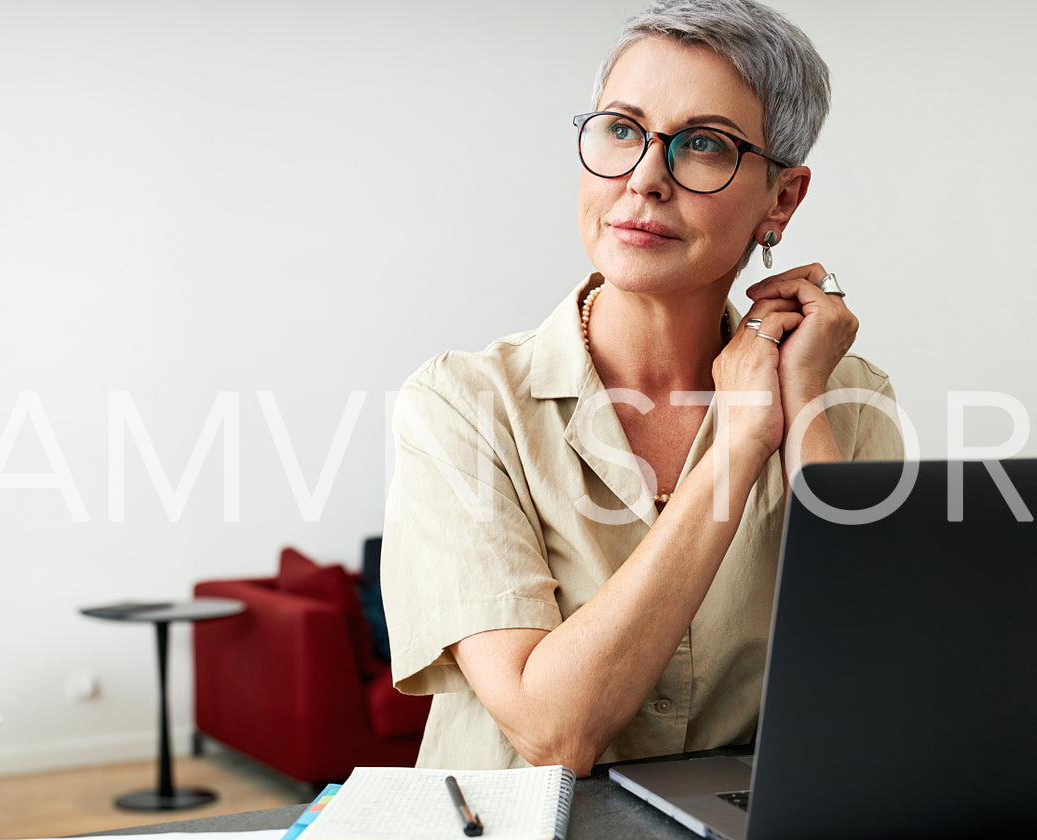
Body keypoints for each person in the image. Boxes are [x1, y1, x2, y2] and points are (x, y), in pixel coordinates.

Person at [382, 0, 904, 776]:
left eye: (703, 146)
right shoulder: (461, 404)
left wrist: (802, 416)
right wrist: (737, 445)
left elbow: (883, 688)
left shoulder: (843, 395)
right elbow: (551, 732)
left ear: (781, 200)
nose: (644, 179)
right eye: (622, 130)